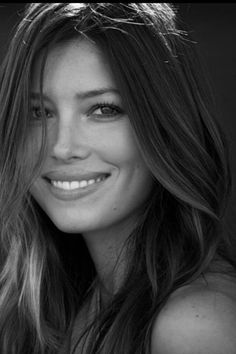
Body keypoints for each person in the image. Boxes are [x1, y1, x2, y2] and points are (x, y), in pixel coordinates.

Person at [0, 3, 236, 353]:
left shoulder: (195, 323)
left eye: (103, 109)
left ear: (164, 127)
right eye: (39, 112)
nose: (62, 148)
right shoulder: (63, 297)